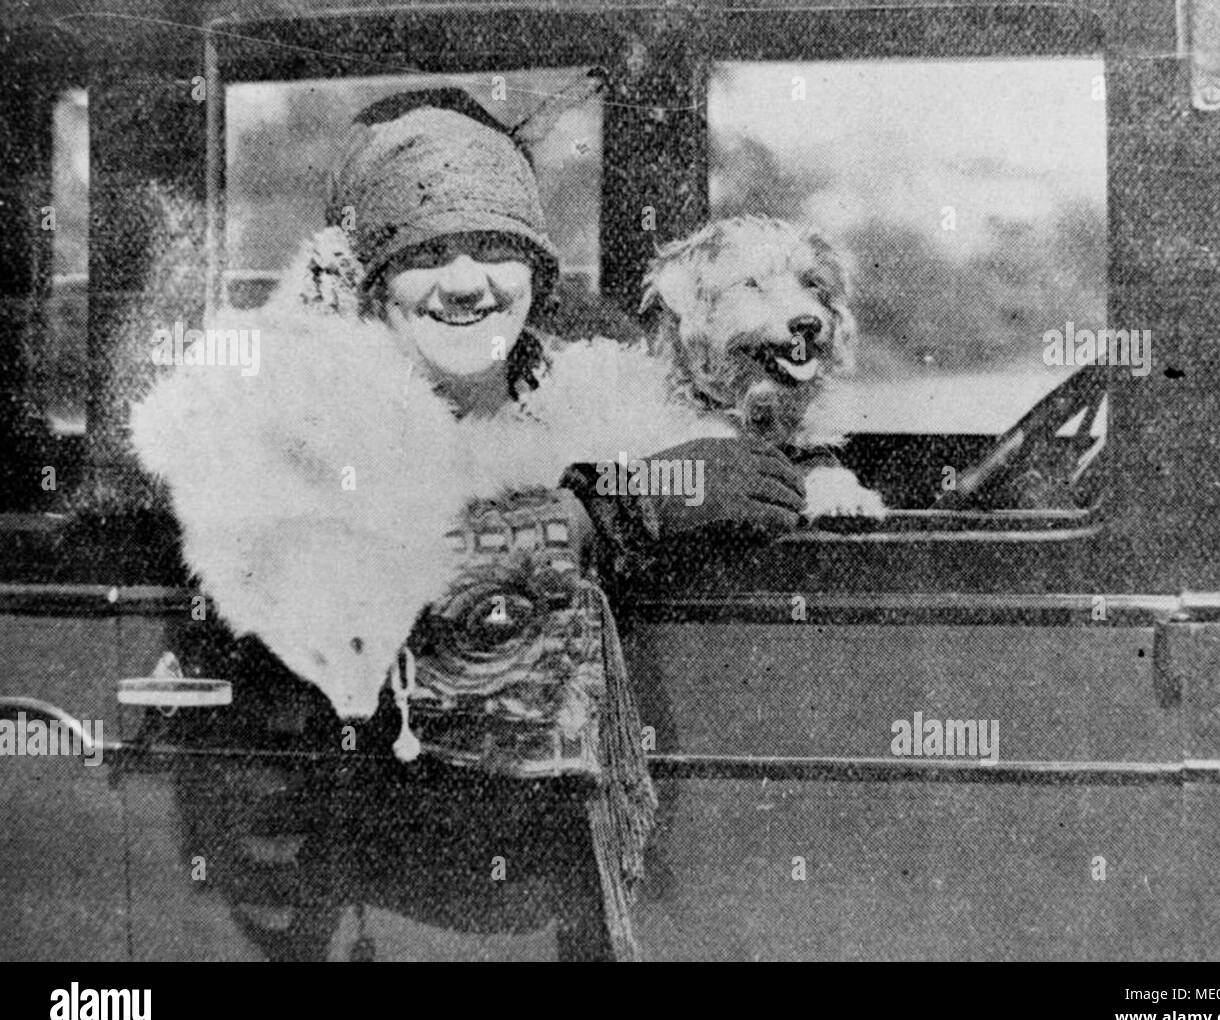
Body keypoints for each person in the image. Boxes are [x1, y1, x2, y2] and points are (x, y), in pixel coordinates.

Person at [130, 88, 806, 960]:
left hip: (558, 894)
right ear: (371, 278)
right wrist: (617, 512)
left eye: (497, 247)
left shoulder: (580, 393)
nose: (466, 283)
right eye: (427, 252)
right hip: (368, 899)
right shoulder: (294, 410)